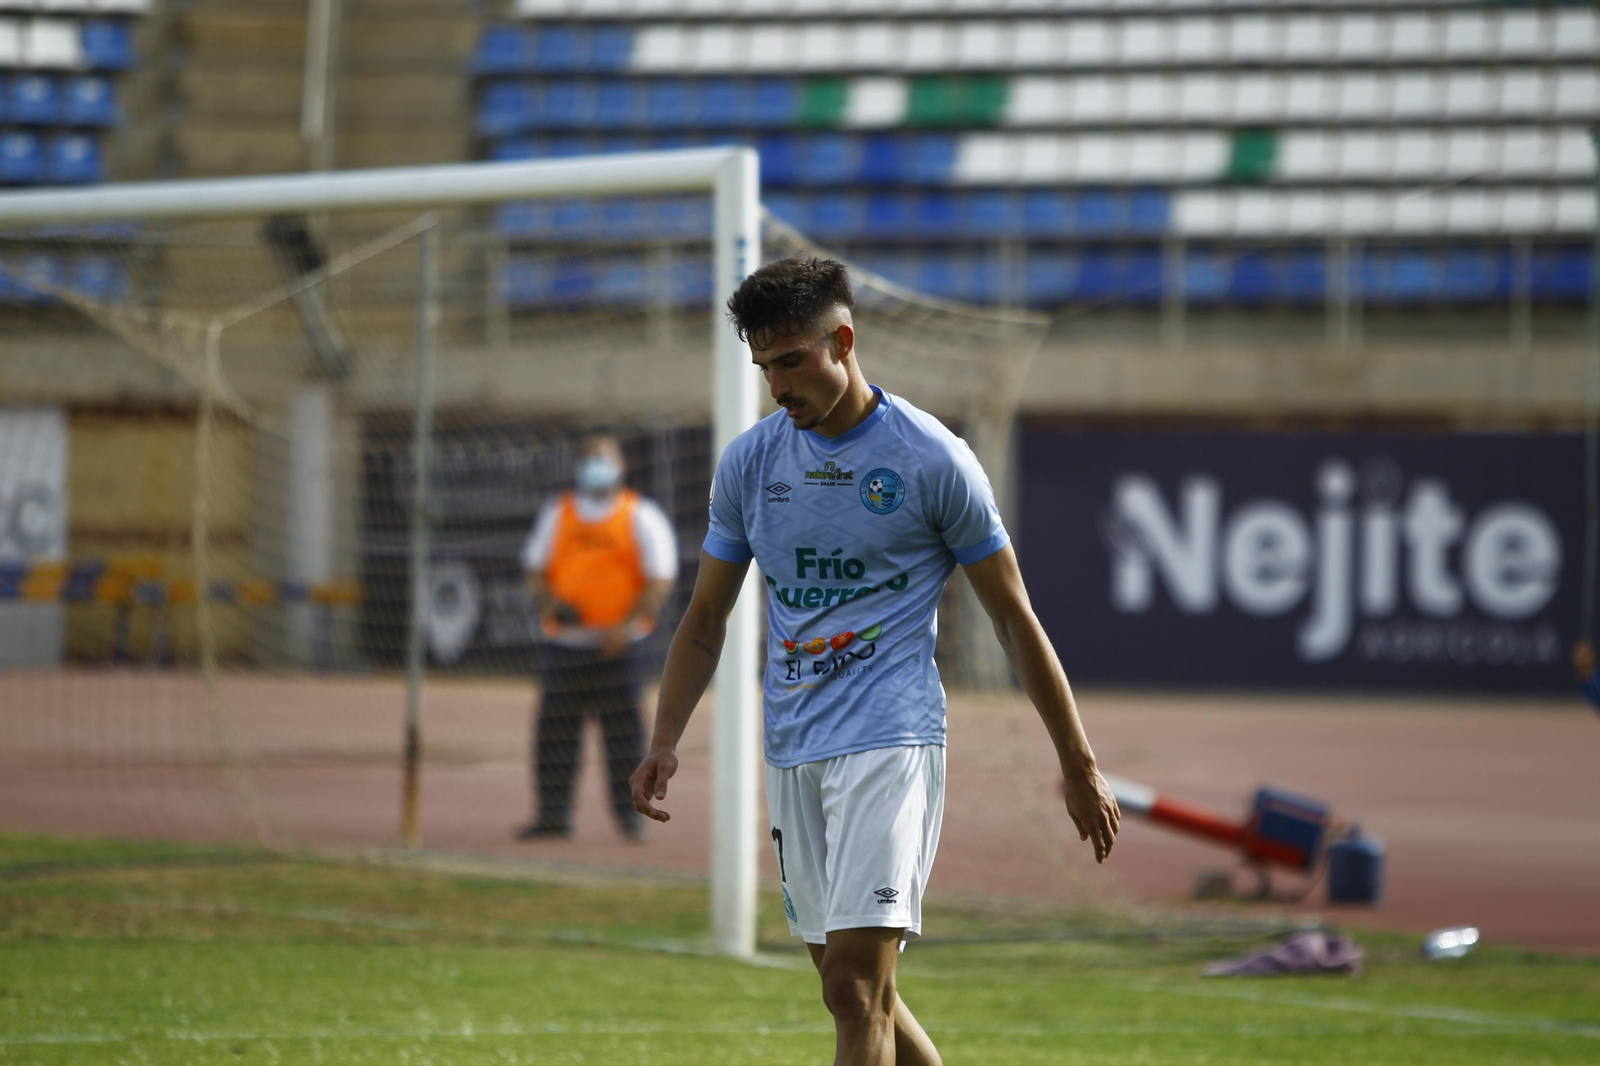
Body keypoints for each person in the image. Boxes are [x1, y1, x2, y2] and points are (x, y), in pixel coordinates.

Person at [629, 257, 1119, 1065]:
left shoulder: (932, 459)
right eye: (764, 367)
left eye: (791, 361)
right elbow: (706, 617)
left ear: (843, 341)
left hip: (891, 741)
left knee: (857, 988)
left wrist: (1078, 761)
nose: (776, 386)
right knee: (853, 990)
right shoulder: (752, 464)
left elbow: (1012, 615)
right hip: (793, 744)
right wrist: (664, 739)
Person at [518, 434, 678, 841]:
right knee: (554, 735)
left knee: (625, 739)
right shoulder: (560, 513)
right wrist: (549, 603)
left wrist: (627, 628)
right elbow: (535, 572)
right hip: (565, 647)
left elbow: (660, 579)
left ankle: (630, 819)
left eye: (604, 459)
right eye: (589, 458)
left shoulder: (639, 514)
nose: (596, 466)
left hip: (619, 650)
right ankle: (552, 816)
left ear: (621, 466)